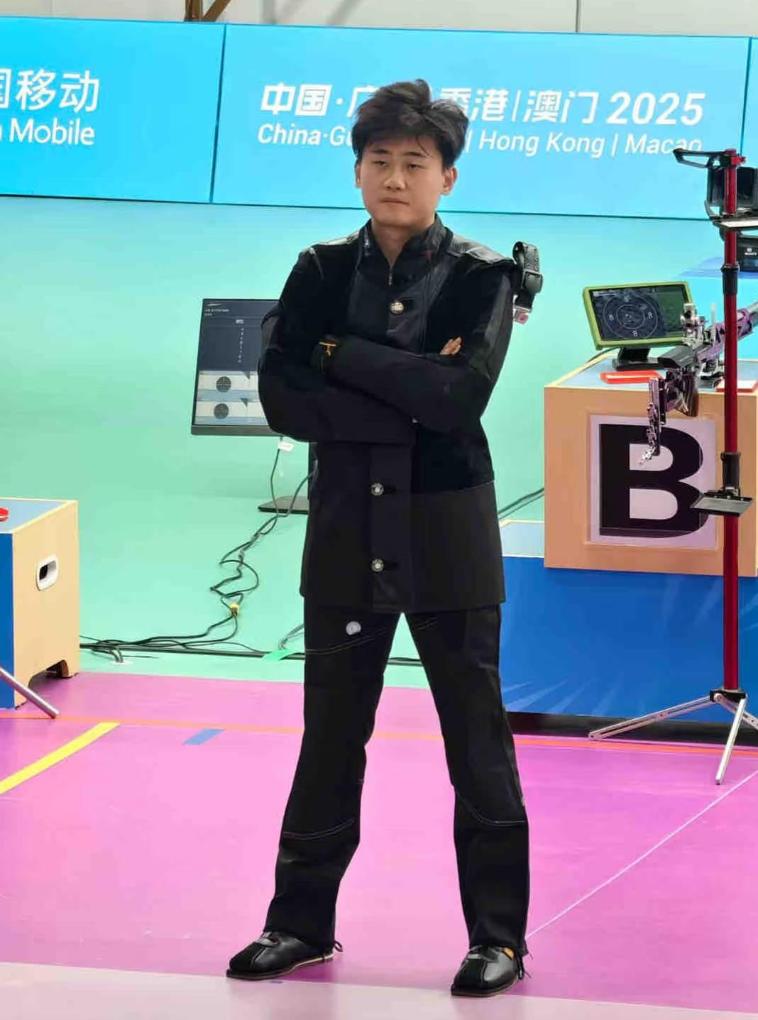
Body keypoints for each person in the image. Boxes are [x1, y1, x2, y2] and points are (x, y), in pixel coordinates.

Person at [226, 79, 532, 998]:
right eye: (380, 161)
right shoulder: (318, 270)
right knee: (330, 734)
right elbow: (283, 399)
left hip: (447, 528)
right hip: (346, 524)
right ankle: (298, 923)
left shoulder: (482, 276)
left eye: (415, 164)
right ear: (357, 170)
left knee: (476, 737)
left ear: (447, 178)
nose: (395, 179)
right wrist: (405, 389)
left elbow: (458, 400)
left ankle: (499, 938)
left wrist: (338, 355)